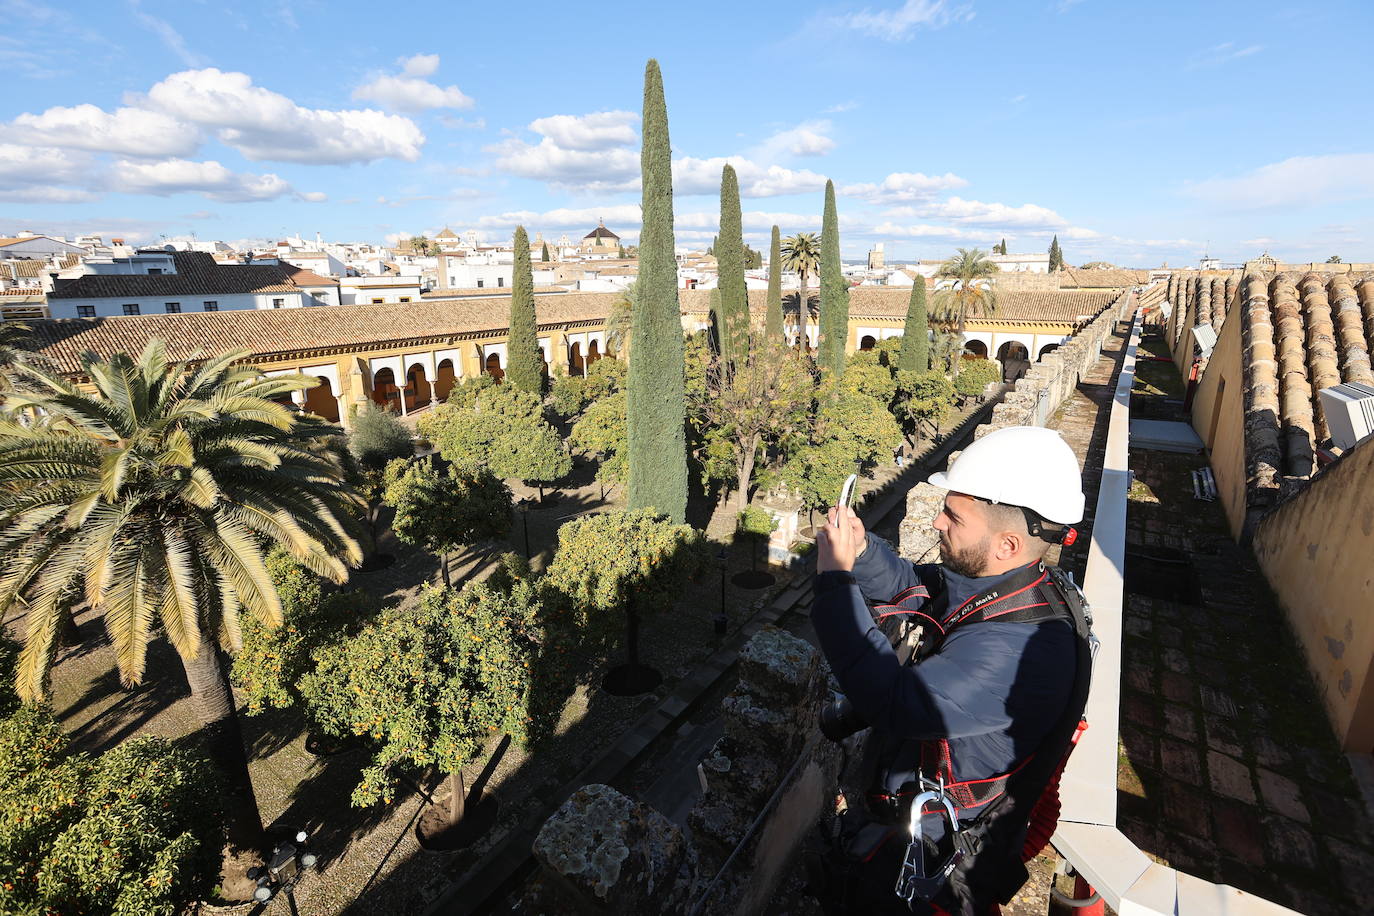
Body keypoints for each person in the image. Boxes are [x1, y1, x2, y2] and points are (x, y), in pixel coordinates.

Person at [808, 425, 1094, 916]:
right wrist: (861, 551)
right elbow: (919, 588)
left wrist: (834, 583)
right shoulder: (1002, 584)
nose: (937, 522)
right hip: (906, 816)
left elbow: (896, 703)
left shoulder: (1022, 651)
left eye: (953, 516)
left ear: (1006, 544)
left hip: (937, 861)